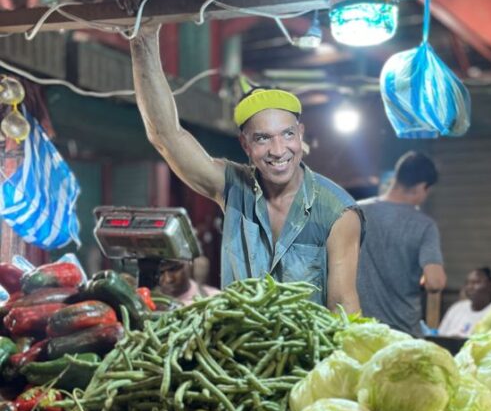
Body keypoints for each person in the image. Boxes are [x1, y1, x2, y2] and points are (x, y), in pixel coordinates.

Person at [128, 16, 362, 313]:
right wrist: (143, 39)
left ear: (300, 135)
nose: (278, 150)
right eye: (263, 138)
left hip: (310, 356)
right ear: (246, 145)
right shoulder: (233, 188)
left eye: (287, 135)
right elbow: (166, 136)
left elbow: (343, 304)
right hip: (239, 352)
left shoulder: (338, 212)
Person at [356, 151, 446, 336]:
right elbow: (435, 282)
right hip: (403, 333)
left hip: (359, 329)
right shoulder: (424, 226)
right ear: (422, 187)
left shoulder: (356, 211)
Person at [438, 267, 491, 337]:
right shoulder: (456, 309)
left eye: (476, 282)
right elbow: (440, 336)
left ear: (490, 285)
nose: (470, 287)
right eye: (467, 283)